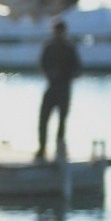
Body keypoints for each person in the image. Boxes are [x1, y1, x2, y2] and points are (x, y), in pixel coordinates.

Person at [36, 18, 81, 162]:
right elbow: (43, 64)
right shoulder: (50, 46)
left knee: (61, 121)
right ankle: (42, 149)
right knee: (44, 119)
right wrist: (51, 74)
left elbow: (77, 69)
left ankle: (58, 150)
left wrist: (64, 75)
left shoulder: (69, 48)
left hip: (63, 88)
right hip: (53, 87)